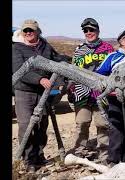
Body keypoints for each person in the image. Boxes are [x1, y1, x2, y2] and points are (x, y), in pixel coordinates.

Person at [12, 19, 61, 172]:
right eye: (25, 30)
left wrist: (59, 81)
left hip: (43, 92)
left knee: (42, 125)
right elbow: (19, 70)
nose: (28, 33)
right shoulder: (16, 48)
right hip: (24, 92)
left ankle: (39, 156)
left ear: (37, 31)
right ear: (22, 32)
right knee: (26, 125)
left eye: (31, 30)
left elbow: (57, 62)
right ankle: (28, 160)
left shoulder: (45, 46)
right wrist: (40, 79)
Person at [68, 18, 114, 163]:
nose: (89, 33)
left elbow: (113, 70)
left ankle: (104, 155)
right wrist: (70, 89)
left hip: (101, 93)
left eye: (91, 30)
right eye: (86, 30)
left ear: (98, 30)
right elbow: (73, 71)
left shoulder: (108, 48)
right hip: (82, 93)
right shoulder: (79, 50)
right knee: (82, 123)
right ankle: (80, 152)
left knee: (103, 124)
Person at [95, 28, 125, 166]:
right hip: (115, 98)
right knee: (116, 129)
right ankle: (113, 160)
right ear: (122, 41)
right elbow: (100, 74)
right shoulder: (112, 57)